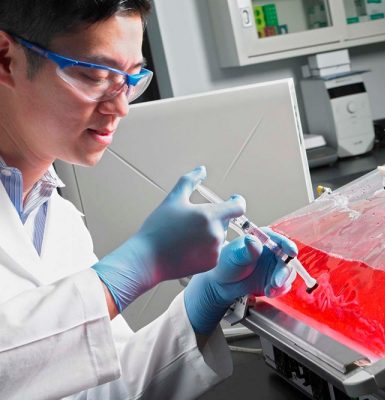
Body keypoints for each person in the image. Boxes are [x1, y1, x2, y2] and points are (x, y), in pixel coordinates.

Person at [0, 1, 297, 398]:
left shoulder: (55, 217)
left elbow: (102, 388)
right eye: (93, 75)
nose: (120, 107)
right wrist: (135, 267)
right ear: (6, 59)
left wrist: (204, 302)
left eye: (129, 78)